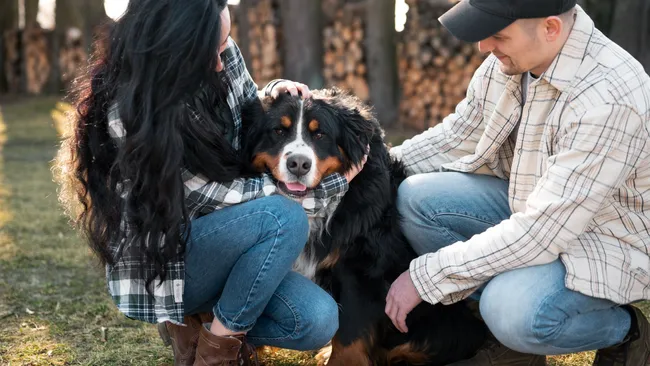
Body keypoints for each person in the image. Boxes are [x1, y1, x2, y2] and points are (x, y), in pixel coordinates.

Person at [54, 1, 366, 365]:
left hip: (228, 241)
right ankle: (215, 351)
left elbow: (247, 110)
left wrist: (276, 93)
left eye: (224, 44)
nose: (221, 61)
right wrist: (329, 186)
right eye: (210, 50)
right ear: (174, 44)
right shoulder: (128, 112)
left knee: (317, 320)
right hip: (170, 263)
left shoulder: (216, 47)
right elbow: (214, 196)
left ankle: (203, 327)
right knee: (284, 217)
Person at [386, 0, 650, 365]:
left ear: (551, 28)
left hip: (604, 243)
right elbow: (456, 136)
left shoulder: (608, 97)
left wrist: (428, 275)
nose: (483, 46)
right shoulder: (511, 62)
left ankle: (626, 330)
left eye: (497, 35)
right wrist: (369, 165)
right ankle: (508, 349)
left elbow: (541, 232)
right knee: (415, 200)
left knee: (512, 312)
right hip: (533, 209)